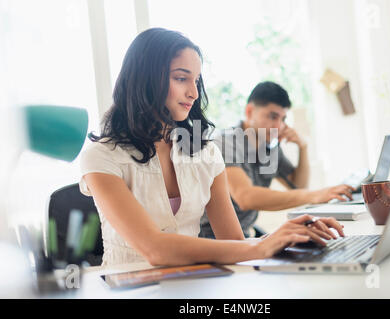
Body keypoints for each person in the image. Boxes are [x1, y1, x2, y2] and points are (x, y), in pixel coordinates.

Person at [79, 28, 345, 267]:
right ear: (145, 79)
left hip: (196, 287)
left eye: (196, 81)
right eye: (181, 78)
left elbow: (236, 244)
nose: (194, 93)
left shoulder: (205, 154)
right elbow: (155, 250)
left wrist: (292, 239)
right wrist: (264, 243)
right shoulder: (101, 158)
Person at [200, 81, 354, 238]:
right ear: (249, 112)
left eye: (283, 119)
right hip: (209, 240)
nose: (279, 126)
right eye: (273, 117)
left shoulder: (270, 147)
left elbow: (297, 187)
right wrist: (314, 195)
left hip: (243, 236)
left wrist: (303, 147)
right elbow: (245, 197)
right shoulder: (224, 143)